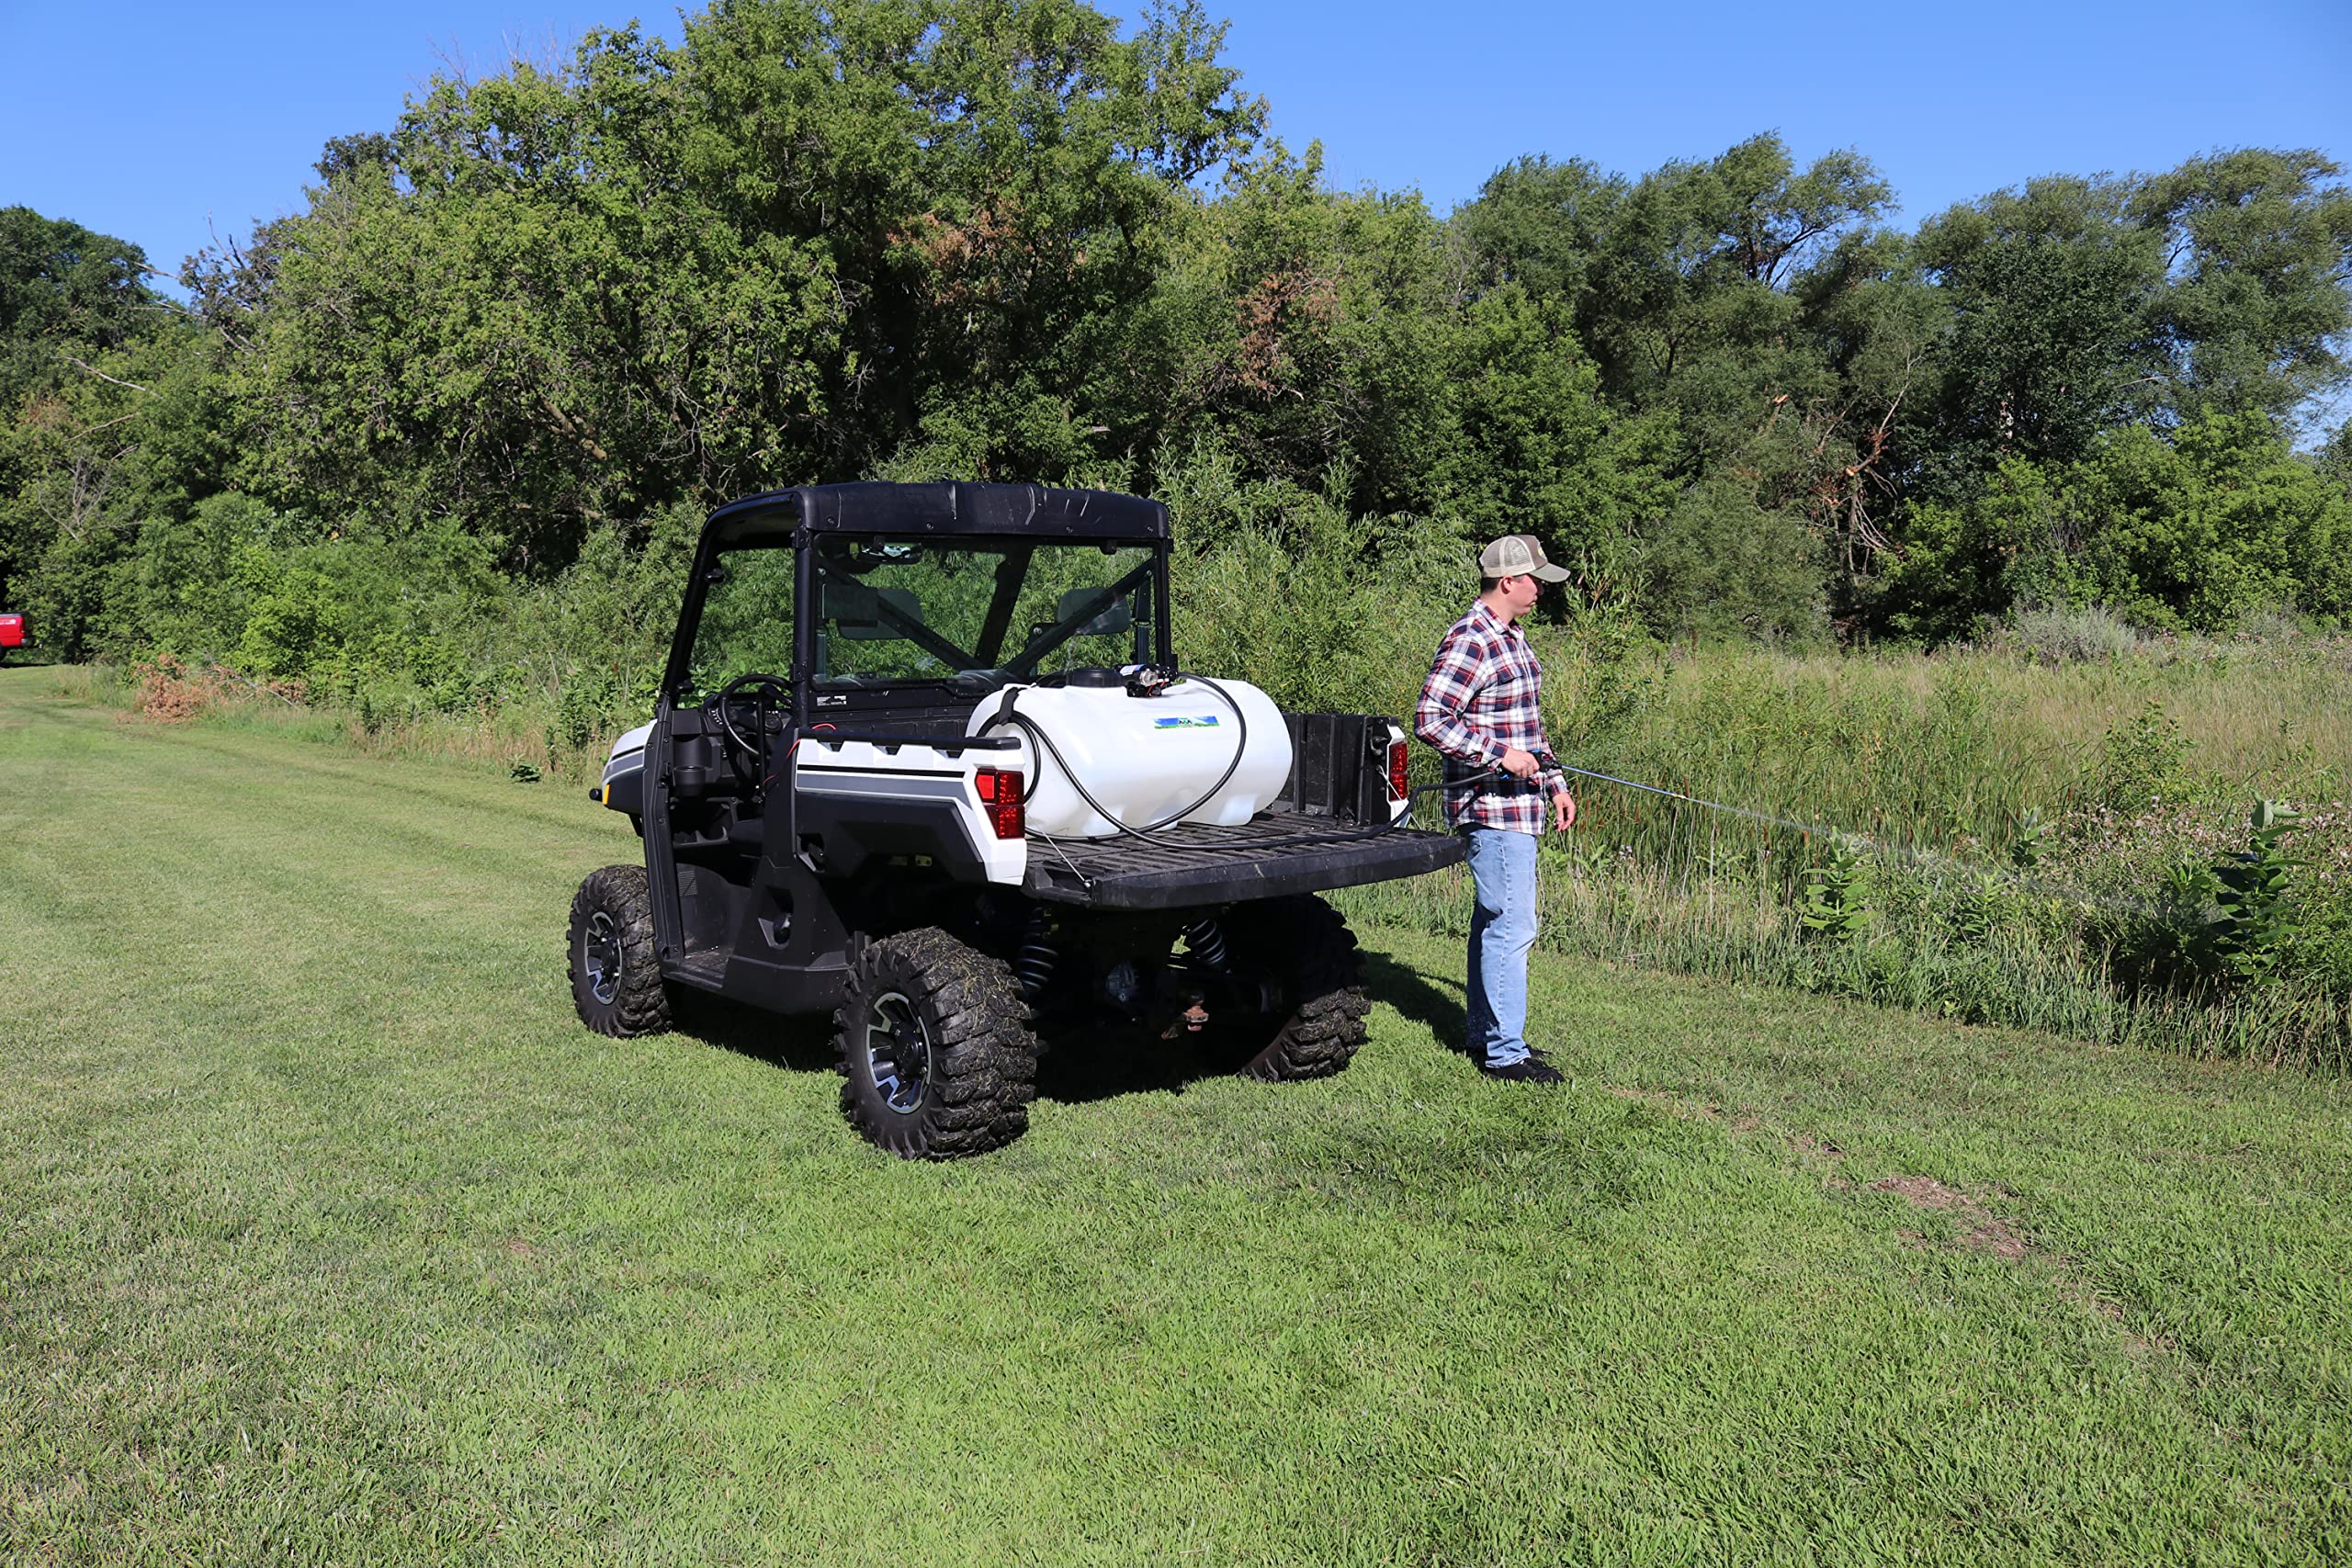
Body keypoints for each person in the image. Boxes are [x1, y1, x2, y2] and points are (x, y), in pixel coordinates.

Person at [1413, 535, 1577, 1084]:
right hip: (1491, 807)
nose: (1540, 591)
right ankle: (1505, 1054)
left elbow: (1528, 726)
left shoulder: (1514, 638)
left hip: (1522, 805)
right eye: (1535, 581)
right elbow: (1432, 717)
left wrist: (1554, 782)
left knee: (1497, 923)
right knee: (1511, 925)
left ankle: (1487, 1038)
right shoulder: (1472, 638)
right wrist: (1500, 755)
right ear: (1508, 581)